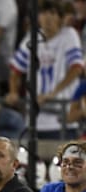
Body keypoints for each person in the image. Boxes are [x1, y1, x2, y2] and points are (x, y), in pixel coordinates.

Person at [7, 0, 83, 139]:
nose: (47, 17)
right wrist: (13, 92)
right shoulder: (32, 37)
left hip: (63, 118)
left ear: (60, 17)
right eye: (43, 13)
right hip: (34, 119)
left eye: (52, 13)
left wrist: (52, 94)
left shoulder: (69, 35)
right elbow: (16, 69)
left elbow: (76, 68)